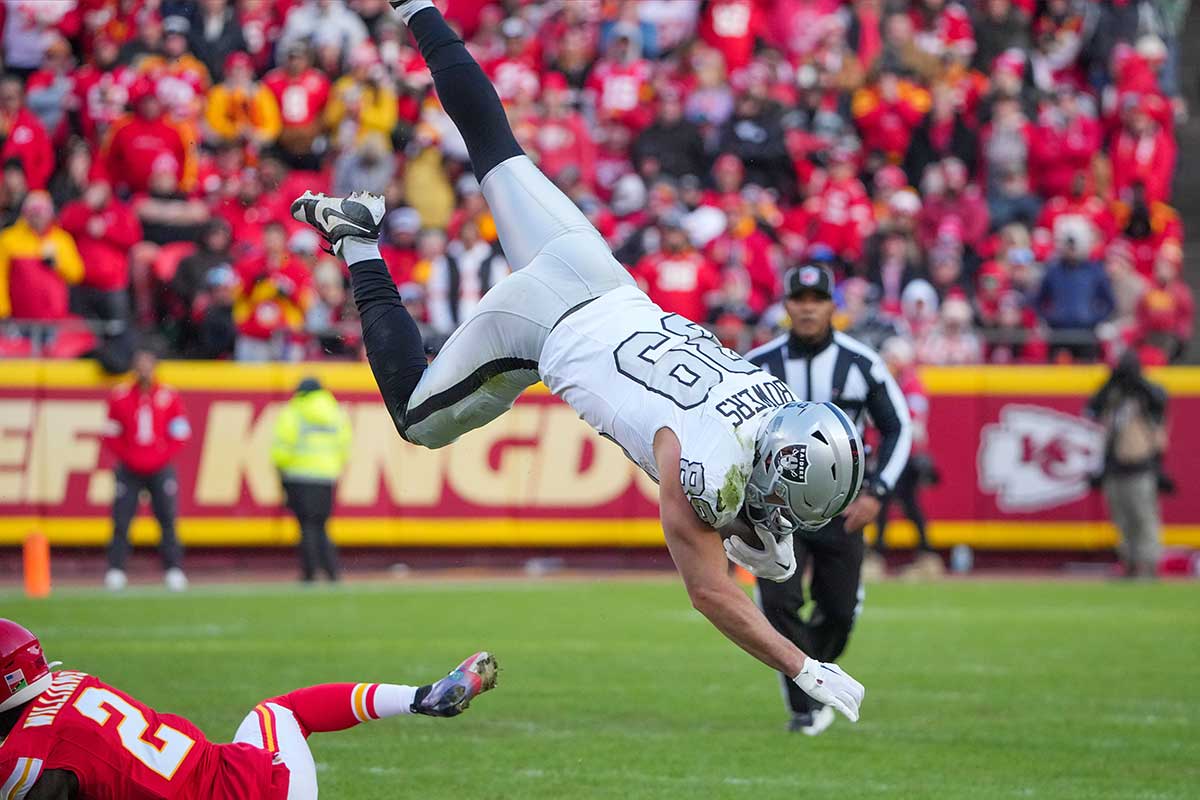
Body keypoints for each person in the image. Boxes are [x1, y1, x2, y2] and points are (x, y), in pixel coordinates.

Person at [291, 0, 866, 724]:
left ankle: (418, 10)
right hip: (544, 323)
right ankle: (360, 243)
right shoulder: (705, 470)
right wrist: (802, 663)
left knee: (495, 145)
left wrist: (766, 531)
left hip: (596, 269)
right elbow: (712, 592)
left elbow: (760, 508)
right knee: (415, 418)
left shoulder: (772, 398)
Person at [0, 619, 496, 800]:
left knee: (278, 712)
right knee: (281, 714)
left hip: (265, 789)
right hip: (241, 777)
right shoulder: (70, 682)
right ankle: (421, 696)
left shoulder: (26, 757)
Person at [742, 264, 911, 735]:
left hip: (845, 506)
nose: (808, 308)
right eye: (800, 299)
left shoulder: (861, 362)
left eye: (818, 299)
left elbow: (898, 426)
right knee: (778, 604)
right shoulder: (757, 364)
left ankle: (814, 669)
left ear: (832, 306)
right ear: (787, 306)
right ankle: (804, 704)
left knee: (838, 610)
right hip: (776, 508)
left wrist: (877, 492)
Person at [101, 344, 191, 593]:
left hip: (160, 468)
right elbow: (110, 433)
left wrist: (162, 455)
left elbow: (181, 432)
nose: (143, 370)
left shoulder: (168, 396)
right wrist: (128, 455)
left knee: (167, 520)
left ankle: (173, 569)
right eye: (139, 365)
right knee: (121, 519)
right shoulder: (120, 396)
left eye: (147, 364)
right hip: (129, 468)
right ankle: (116, 570)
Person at [1085, 351, 1170, 579]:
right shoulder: (1114, 394)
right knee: (1122, 521)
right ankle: (1129, 565)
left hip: (1141, 465)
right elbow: (1092, 408)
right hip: (1115, 467)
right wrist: (1112, 381)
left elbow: (1160, 402)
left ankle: (1149, 567)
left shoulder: (1147, 392)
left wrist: (1137, 381)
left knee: (1143, 518)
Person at [865, 337, 940, 580]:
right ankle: (923, 553)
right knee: (900, 504)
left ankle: (885, 554)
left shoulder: (910, 384)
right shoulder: (895, 383)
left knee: (892, 502)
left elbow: (909, 419)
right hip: (893, 451)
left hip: (904, 454)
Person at [271, 378, 353, 583]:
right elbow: (344, 445)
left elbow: (282, 449)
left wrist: (282, 470)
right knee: (321, 525)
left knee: (306, 526)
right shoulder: (335, 412)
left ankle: (310, 572)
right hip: (326, 477)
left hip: (299, 476)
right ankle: (332, 571)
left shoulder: (294, 412)